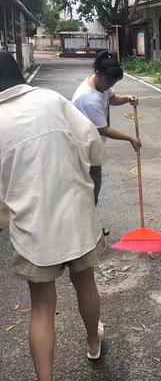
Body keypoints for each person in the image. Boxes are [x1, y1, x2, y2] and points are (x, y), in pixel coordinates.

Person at [0, 52, 107, 381]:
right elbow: (93, 145)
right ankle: (93, 343)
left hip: (32, 227)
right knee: (85, 282)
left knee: (42, 307)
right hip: (74, 215)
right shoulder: (50, 99)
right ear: (19, 74)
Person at [72, 50, 141, 207]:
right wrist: (130, 138)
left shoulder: (100, 84)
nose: (111, 85)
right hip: (82, 149)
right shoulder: (88, 98)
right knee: (90, 188)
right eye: (109, 81)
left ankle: (90, 223)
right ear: (98, 73)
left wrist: (126, 98)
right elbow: (104, 129)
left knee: (93, 187)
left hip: (91, 144)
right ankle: (88, 227)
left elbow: (112, 98)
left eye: (114, 82)